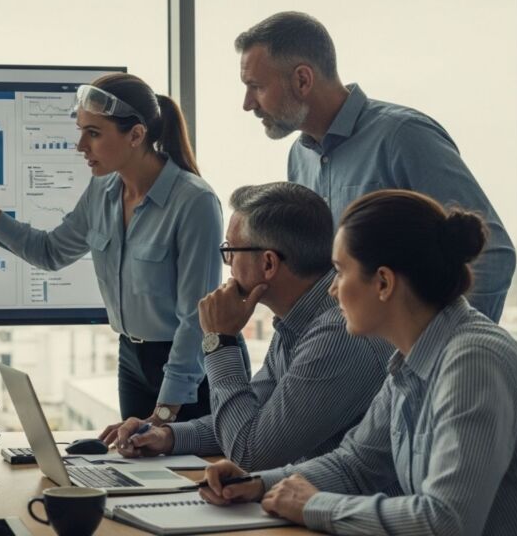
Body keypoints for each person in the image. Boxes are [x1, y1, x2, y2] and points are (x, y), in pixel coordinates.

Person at [200, 189, 517, 536]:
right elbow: (357, 464)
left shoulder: (472, 363)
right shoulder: (411, 360)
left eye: (340, 272)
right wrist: (259, 484)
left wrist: (314, 506)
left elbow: (446, 521)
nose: (332, 290)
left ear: (383, 282)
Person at [0, 73, 229, 426]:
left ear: (136, 135)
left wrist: (165, 412)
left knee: (187, 474)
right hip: (131, 357)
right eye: (81, 130)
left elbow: (196, 321)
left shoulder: (195, 202)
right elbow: (50, 251)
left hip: (189, 368)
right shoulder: (101, 192)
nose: (80, 145)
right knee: (137, 469)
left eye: (94, 133)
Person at [234, 11, 515, 322]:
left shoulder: (403, 136)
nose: (247, 103)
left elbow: (493, 253)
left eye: (256, 86)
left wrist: (448, 348)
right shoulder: (299, 158)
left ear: (303, 79)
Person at [109, 182, 391, 470]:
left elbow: (250, 451)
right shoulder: (295, 322)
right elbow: (250, 416)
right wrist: (167, 436)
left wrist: (221, 340)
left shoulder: (337, 335)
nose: (228, 263)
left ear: (268, 263)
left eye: (231, 250)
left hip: (344, 510)